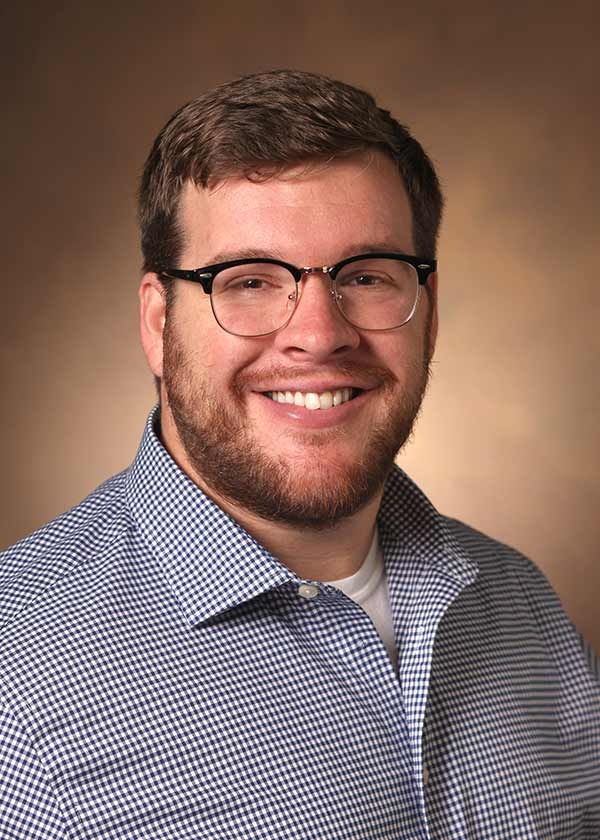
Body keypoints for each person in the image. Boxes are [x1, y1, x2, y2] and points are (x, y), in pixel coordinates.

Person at [0, 70, 598, 840]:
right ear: (158, 323)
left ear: (430, 314)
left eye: (366, 276)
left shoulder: (520, 602)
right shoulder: (15, 684)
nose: (318, 334)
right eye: (248, 281)